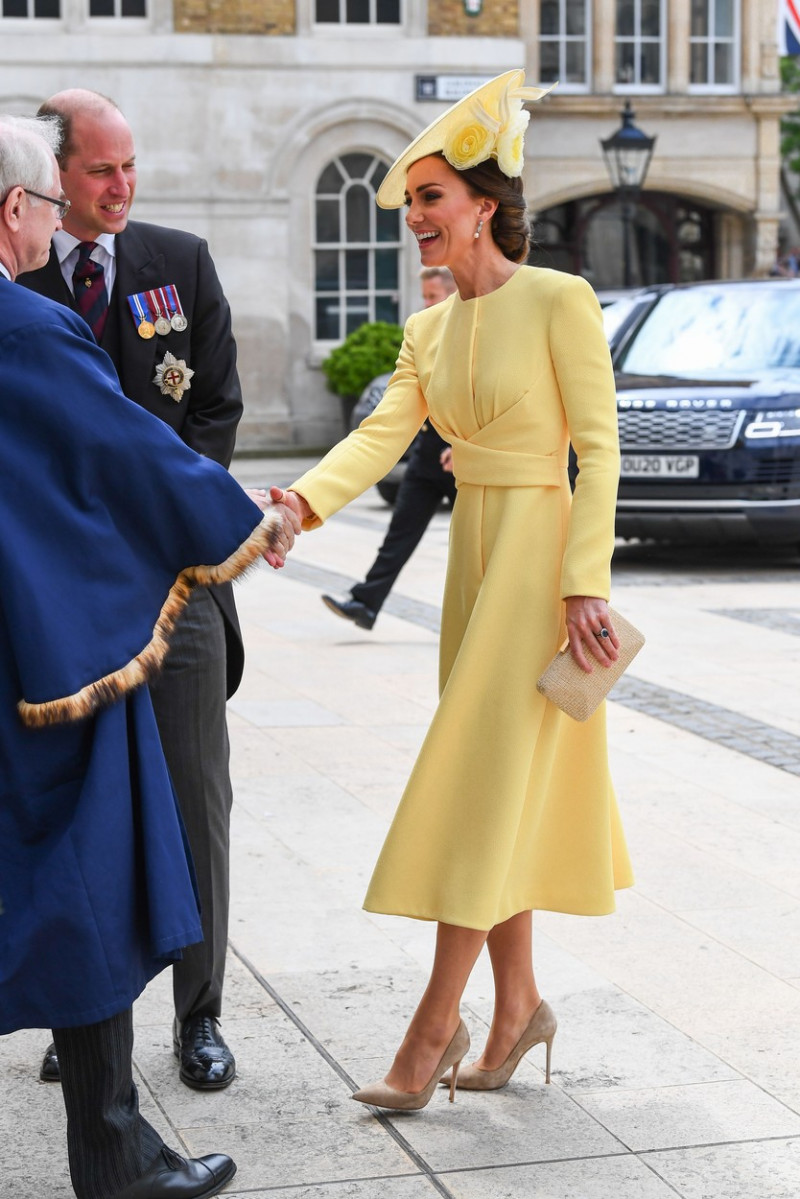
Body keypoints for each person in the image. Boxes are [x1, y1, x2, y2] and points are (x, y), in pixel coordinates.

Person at [271, 70, 633, 1111]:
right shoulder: (427, 331)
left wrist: (582, 584)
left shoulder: (559, 298)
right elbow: (380, 436)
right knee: (495, 788)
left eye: (428, 197)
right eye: (409, 204)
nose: (414, 219)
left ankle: (435, 1024)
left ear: (483, 201)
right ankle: (515, 1003)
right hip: (475, 555)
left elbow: (599, 452)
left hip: (541, 564)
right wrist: (298, 504)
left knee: (476, 785)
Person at [0, 116, 298, 1197]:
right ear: (18, 208)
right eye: (59, 192)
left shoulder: (174, 264)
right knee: (91, 870)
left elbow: (196, 407)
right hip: (61, 639)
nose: (113, 190)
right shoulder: (23, 323)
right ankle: (116, 1155)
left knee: (150, 828)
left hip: (89, 601)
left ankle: (168, 1060)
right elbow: (123, 448)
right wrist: (242, 522)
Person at [19, 89, 244, 1090]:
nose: (122, 186)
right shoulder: (22, 280)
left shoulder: (177, 262)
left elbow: (217, 409)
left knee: (195, 797)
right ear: (52, 178)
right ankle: (83, 1016)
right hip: (69, 597)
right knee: (80, 809)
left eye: (129, 165)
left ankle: (200, 1015)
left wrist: (175, 539)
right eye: (101, 170)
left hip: (177, 583)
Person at [321, 266, 458, 631]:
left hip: (466, 458)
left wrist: (466, 447)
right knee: (400, 530)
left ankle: (482, 619)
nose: (426, 303)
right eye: (424, 296)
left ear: (450, 291)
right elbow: (389, 422)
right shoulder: (424, 332)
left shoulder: (471, 331)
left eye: (432, 296)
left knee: (479, 548)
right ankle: (366, 603)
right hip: (430, 451)